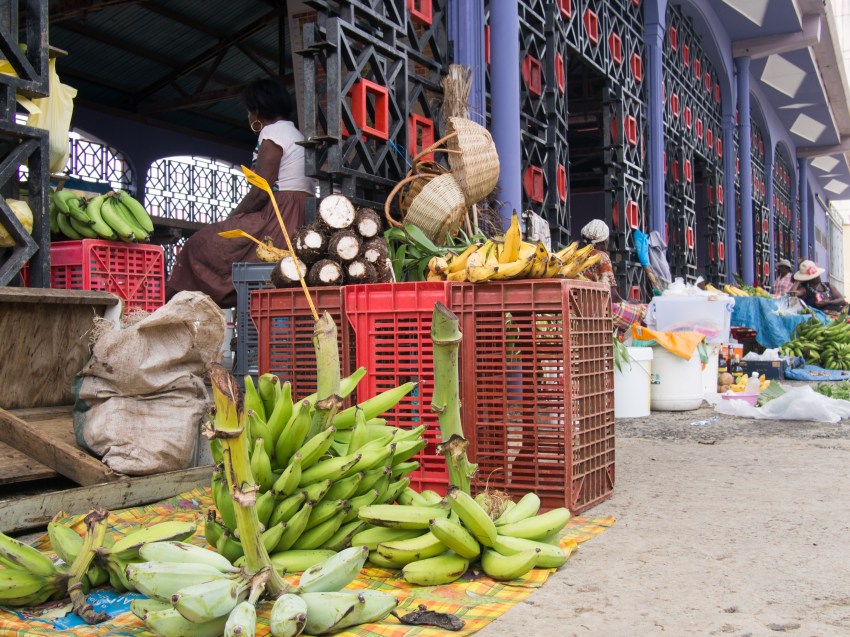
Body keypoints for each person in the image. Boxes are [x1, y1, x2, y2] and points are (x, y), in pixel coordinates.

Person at [166, 79, 316, 307]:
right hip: (297, 213)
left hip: (279, 214)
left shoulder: (273, 132)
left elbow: (261, 191)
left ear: (257, 111)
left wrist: (232, 219)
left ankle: (170, 302)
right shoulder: (296, 133)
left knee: (198, 244)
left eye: (249, 110)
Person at [579, 219, 647, 333]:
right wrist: (629, 303)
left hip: (580, 308)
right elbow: (613, 296)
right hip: (599, 311)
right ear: (603, 241)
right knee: (645, 311)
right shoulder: (602, 256)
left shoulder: (577, 256)